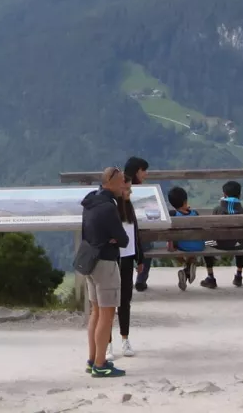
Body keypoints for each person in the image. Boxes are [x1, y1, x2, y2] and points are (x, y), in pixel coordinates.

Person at [80, 167, 129, 378]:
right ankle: (101, 364)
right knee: (107, 315)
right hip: (106, 263)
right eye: (121, 183)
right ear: (111, 183)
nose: (123, 187)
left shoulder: (90, 200)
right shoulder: (109, 207)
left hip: (89, 261)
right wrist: (114, 239)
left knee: (96, 312)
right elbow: (124, 239)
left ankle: (92, 360)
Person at [206, 180, 243, 289]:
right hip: (238, 245)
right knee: (241, 240)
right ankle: (238, 276)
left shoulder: (217, 209)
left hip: (220, 244)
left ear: (224, 194)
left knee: (205, 244)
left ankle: (211, 277)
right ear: (239, 195)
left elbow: (212, 230)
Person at [166, 187, 207, 291]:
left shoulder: (173, 214)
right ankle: (188, 269)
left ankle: (186, 268)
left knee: (177, 245)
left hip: (183, 247)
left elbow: (169, 233)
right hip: (199, 246)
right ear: (185, 201)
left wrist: (170, 245)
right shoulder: (195, 213)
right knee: (191, 245)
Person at [116, 177, 139, 356]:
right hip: (112, 258)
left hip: (128, 258)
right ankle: (106, 343)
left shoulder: (129, 207)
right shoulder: (111, 208)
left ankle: (125, 339)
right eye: (127, 189)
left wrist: (140, 257)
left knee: (125, 301)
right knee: (107, 303)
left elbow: (135, 232)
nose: (130, 192)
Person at [124, 157, 153, 292]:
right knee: (147, 245)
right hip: (138, 233)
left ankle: (126, 282)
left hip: (125, 233)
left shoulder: (121, 186)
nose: (146, 173)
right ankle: (141, 280)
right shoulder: (141, 191)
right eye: (143, 170)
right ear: (137, 172)